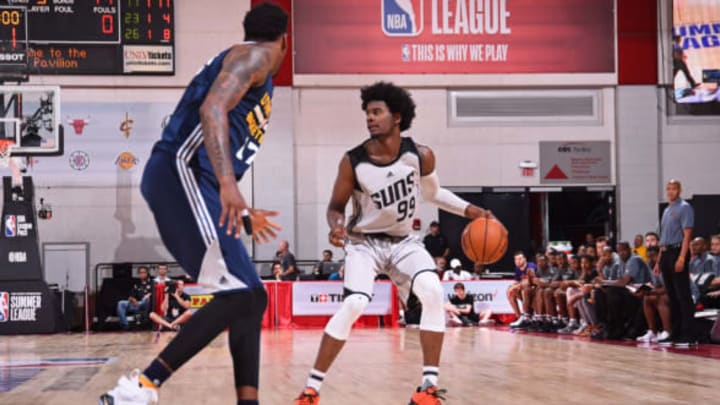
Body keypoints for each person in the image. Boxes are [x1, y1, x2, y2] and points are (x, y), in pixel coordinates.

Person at [100, 4, 288, 405]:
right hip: (178, 175)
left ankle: (248, 401)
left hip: (195, 182)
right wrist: (227, 183)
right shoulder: (253, 56)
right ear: (284, 40)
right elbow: (212, 108)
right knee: (239, 294)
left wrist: (236, 197)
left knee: (252, 296)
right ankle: (142, 386)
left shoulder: (256, 68)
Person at [294, 82, 495, 405]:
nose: (370, 119)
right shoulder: (353, 161)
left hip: (403, 242)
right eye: (367, 113)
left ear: (397, 117)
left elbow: (434, 195)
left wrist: (473, 211)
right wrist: (337, 226)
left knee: (431, 290)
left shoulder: (420, 155)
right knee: (355, 304)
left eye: (377, 112)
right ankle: (311, 389)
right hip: (364, 244)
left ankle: (428, 387)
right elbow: (335, 206)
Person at [656, 179, 696, 347]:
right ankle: (676, 332)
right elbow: (663, 238)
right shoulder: (667, 210)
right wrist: (658, 261)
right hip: (665, 253)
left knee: (682, 295)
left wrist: (681, 257)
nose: (671, 191)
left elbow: (687, 235)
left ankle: (688, 334)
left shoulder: (685, 207)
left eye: (674, 188)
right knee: (672, 296)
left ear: (679, 190)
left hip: (677, 252)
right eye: (668, 188)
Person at [636, 246, 672, 343]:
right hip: (668, 292)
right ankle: (652, 331)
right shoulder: (651, 266)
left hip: (686, 294)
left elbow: (669, 288)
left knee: (661, 298)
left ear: (659, 256)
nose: (650, 259)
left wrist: (652, 291)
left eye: (653, 256)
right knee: (647, 298)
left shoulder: (666, 265)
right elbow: (657, 285)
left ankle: (667, 331)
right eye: (648, 257)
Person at [117, 266, 153, 330]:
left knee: (146, 298)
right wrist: (133, 299)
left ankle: (146, 320)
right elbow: (130, 296)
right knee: (121, 303)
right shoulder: (136, 284)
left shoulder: (152, 283)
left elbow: (152, 294)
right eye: (140, 273)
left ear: (147, 273)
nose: (142, 274)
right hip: (136, 304)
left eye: (144, 272)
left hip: (146, 304)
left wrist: (146, 297)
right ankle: (125, 325)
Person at [507, 251, 537, 322]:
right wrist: (512, 287)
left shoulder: (531, 265)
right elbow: (516, 282)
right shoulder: (517, 269)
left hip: (534, 288)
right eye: (516, 259)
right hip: (525, 289)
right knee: (510, 292)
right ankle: (519, 317)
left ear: (525, 259)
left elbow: (530, 281)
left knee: (524, 290)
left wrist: (518, 285)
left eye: (520, 259)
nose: (518, 261)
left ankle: (527, 316)